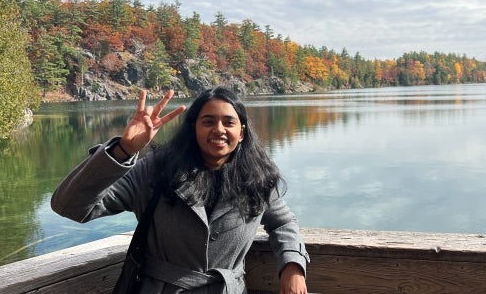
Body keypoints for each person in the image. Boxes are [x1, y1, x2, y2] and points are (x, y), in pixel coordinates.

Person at [51, 87, 309, 294]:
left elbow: (283, 223)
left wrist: (293, 265)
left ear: (241, 132)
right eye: (208, 121)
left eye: (228, 122)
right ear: (194, 128)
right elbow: (70, 206)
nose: (219, 129)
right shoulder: (155, 170)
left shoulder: (259, 177)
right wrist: (123, 151)